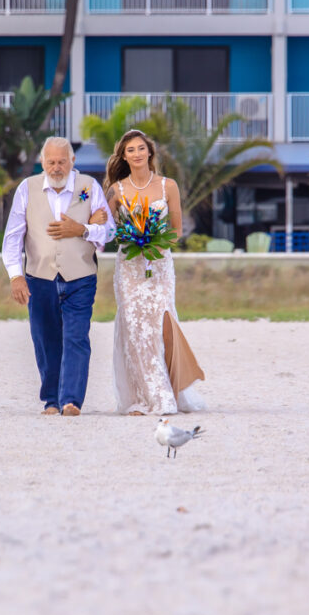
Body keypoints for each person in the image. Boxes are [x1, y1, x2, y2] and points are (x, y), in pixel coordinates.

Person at [3, 137, 115, 416]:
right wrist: (16, 276)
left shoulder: (88, 187)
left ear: (72, 162)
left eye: (62, 161)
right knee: (45, 338)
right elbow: (13, 236)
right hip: (39, 276)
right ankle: (51, 400)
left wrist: (83, 229)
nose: (56, 168)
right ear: (42, 162)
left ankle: (71, 401)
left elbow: (110, 231)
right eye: (51, 162)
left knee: (77, 336)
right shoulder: (26, 189)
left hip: (81, 276)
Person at [105, 129, 205, 415]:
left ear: (149, 152)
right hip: (129, 268)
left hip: (160, 265)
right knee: (135, 330)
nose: (136, 154)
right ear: (124, 157)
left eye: (140, 148)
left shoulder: (167, 186)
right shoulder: (116, 190)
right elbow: (104, 225)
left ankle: (171, 389)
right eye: (130, 150)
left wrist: (154, 242)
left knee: (162, 328)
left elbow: (176, 230)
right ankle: (143, 399)